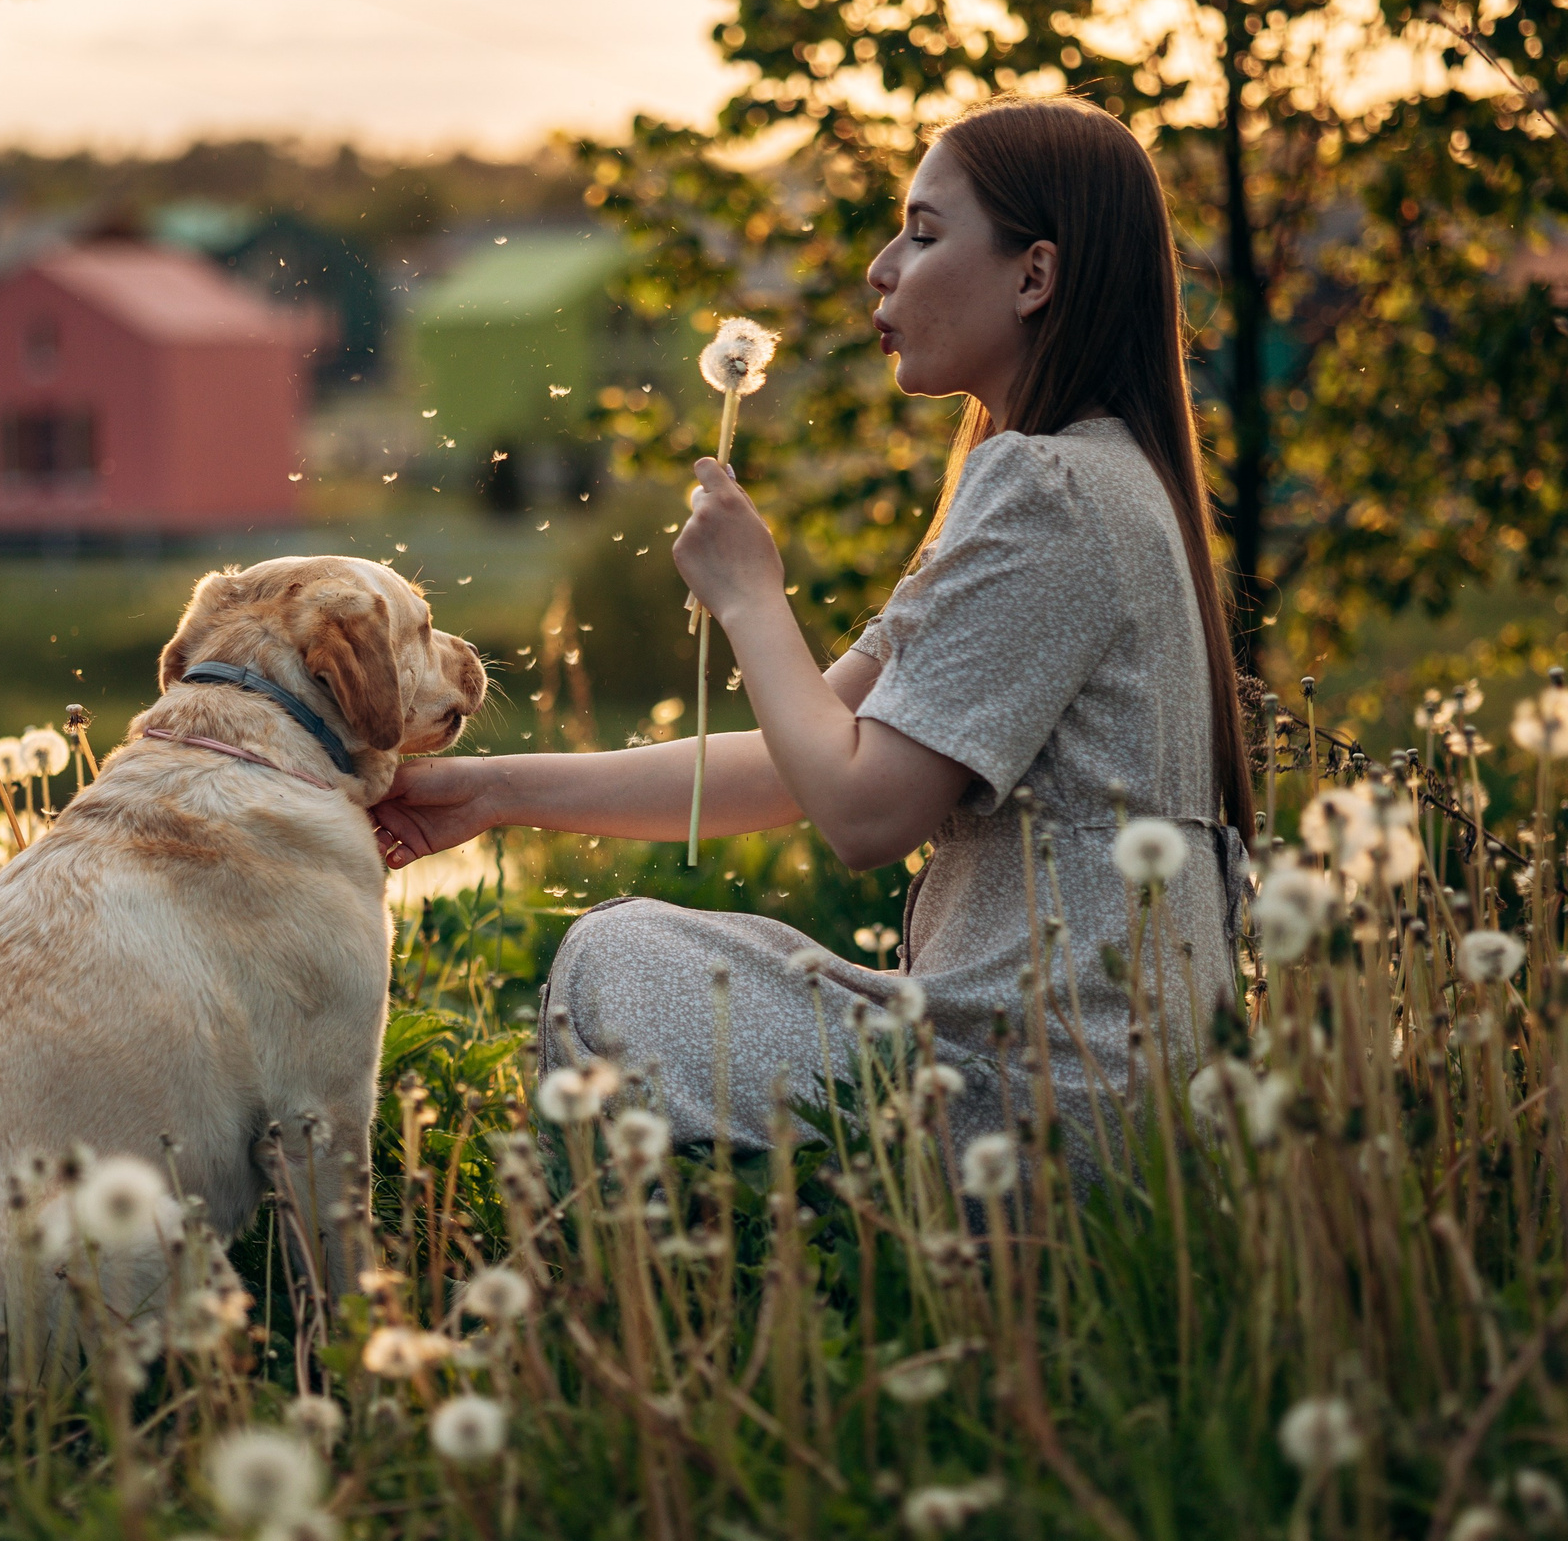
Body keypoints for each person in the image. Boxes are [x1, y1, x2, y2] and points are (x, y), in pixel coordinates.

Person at [368, 95, 1252, 1159]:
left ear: (1034, 276)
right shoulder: (1104, 476)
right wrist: (493, 793)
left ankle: (626, 1297)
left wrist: (749, 596)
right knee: (648, 957)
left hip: (1030, 1102)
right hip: (1095, 1099)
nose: (881, 268)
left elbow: (862, 813)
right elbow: (798, 765)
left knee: (618, 962)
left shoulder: (1046, 489)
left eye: (924, 234)